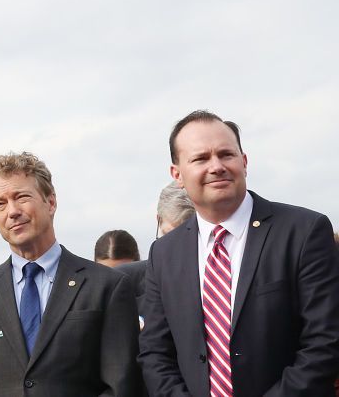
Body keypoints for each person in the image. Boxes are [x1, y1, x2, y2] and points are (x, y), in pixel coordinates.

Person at [138, 110, 339, 396]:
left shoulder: (303, 232)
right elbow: (155, 353)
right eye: (200, 158)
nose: (217, 166)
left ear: (244, 162)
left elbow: (325, 342)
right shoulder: (164, 253)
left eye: (226, 154)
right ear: (177, 174)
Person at [0, 152, 141, 397]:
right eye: (0, 204)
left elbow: (122, 386)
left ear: (51, 202)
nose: (12, 211)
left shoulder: (108, 286)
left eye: (21, 197)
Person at [117, 183, 194, 313]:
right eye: (169, 236)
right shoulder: (123, 281)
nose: (176, 248)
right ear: (158, 219)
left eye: (186, 238)